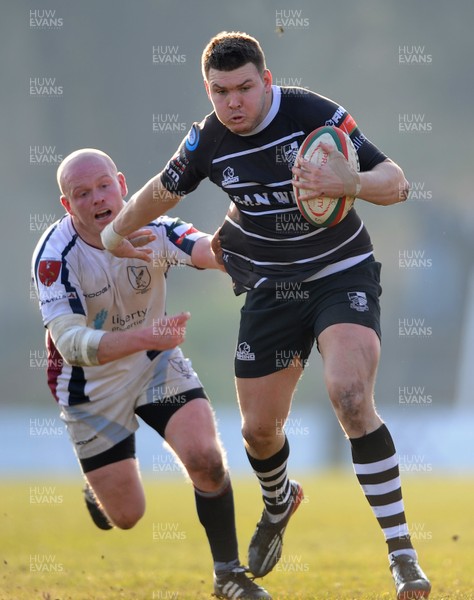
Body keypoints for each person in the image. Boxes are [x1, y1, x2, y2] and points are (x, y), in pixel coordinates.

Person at [100, 32, 431, 599]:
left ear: (267, 80)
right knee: (257, 431)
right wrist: (113, 233)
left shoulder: (313, 115)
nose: (233, 102)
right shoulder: (207, 139)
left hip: (339, 274)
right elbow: (162, 190)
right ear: (209, 90)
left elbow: (397, 183)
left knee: (351, 396)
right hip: (271, 288)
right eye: (220, 91)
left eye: (245, 88)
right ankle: (279, 501)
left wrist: (348, 182)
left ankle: (402, 555)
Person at [31, 148, 272, 600]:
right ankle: (98, 485)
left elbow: (204, 249)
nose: (97, 198)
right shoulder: (54, 256)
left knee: (207, 458)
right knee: (127, 515)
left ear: (121, 184)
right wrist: (147, 337)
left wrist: (239, 235)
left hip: (155, 364)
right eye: (82, 193)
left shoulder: (153, 229)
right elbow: (71, 345)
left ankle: (227, 575)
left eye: (104, 185)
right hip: (90, 387)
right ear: (67, 205)